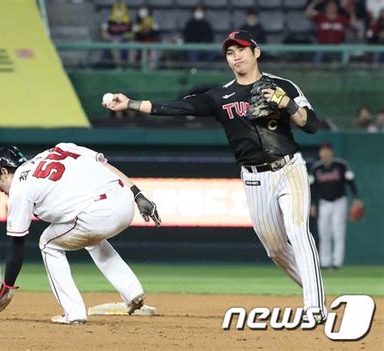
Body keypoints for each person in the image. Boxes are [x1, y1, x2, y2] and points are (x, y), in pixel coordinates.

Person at [103, 30, 327, 323]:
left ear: (256, 52)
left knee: (298, 231)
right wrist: (131, 104)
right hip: (254, 177)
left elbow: (312, 125)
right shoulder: (221, 96)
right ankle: (317, 294)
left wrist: (288, 104)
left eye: (242, 50)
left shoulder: (282, 85)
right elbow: (179, 107)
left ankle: (315, 307)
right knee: (275, 250)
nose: (237, 57)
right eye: (231, 53)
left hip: (289, 168)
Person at [0, 144, 161, 324]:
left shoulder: (20, 187)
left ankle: (73, 313)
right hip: (125, 201)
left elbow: (17, 241)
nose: (0, 190)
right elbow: (106, 166)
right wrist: (138, 194)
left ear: (4, 172)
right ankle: (132, 292)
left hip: (98, 213)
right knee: (92, 239)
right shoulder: (59, 149)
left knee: (47, 243)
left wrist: (8, 285)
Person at [309, 143, 363, 269]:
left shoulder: (341, 165)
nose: (325, 153)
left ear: (331, 152)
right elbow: (312, 188)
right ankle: (325, 262)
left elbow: (351, 182)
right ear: (320, 153)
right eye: (323, 151)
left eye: (327, 151)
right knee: (324, 233)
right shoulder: (316, 168)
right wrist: (312, 204)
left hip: (339, 202)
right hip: (323, 203)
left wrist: (356, 198)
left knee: (338, 232)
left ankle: (337, 262)